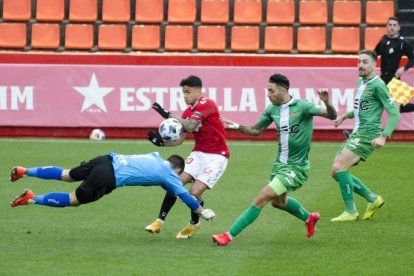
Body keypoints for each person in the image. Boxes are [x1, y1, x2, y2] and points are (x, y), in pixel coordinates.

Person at [211, 73, 337, 246]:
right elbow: (256, 130)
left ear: (283, 90)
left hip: (296, 167)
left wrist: (327, 102)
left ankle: (228, 235)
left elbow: (331, 116)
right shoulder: (272, 109)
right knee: (279, 203)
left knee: (262, 197)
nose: (268, 94)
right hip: (279, 166)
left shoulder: (303, 106)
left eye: (271, 91)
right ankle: (309, 218)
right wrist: (235, 125)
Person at [9, 152, 216, 222]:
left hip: (105, 159)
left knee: (66, 175)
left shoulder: (154, 156)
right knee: (74, 199)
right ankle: (32, 198)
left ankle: (24, 170)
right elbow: (186, 197)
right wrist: (201, 211)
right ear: (178, 170)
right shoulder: (170, 175)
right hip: (108, 176)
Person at [146, 75, 230, 239]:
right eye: (183, 93)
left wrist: (167, 114)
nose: (185, 96)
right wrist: (161, 143)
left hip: (217, 156)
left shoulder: (207, 104)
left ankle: (193, 224)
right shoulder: (188, 112)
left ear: (198, 91)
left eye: (188, 92)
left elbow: (191, 125)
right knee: (173, 182)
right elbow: (179, 140)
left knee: (193, 192)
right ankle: (159, 222)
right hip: (199, 153)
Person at [330, 50, 400, 222]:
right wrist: (344, 117)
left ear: (374, 64)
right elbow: (360, 108)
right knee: (335, 172)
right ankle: (372, 199)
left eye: (365, 62)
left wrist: (383, 137)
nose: (360, 65)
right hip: (357, 133)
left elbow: (394, 113)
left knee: (340, 168)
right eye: (359, 61)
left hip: (368, 134)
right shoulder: (360, 81)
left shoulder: (378, 85)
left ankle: (351, 211)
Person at [343, 17, 413, 138]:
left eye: (394, 25)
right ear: (387, 26)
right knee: (370, 106)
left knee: (397, 109)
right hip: (381, 80)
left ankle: (381, 135)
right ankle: (358, 133)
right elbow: (374, 54)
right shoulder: (383, 40)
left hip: (395, 80)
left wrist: (404, 68)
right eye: (389, 25)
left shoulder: (402, 43)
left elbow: (413, 57)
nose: (391, 27)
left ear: (398, 27)